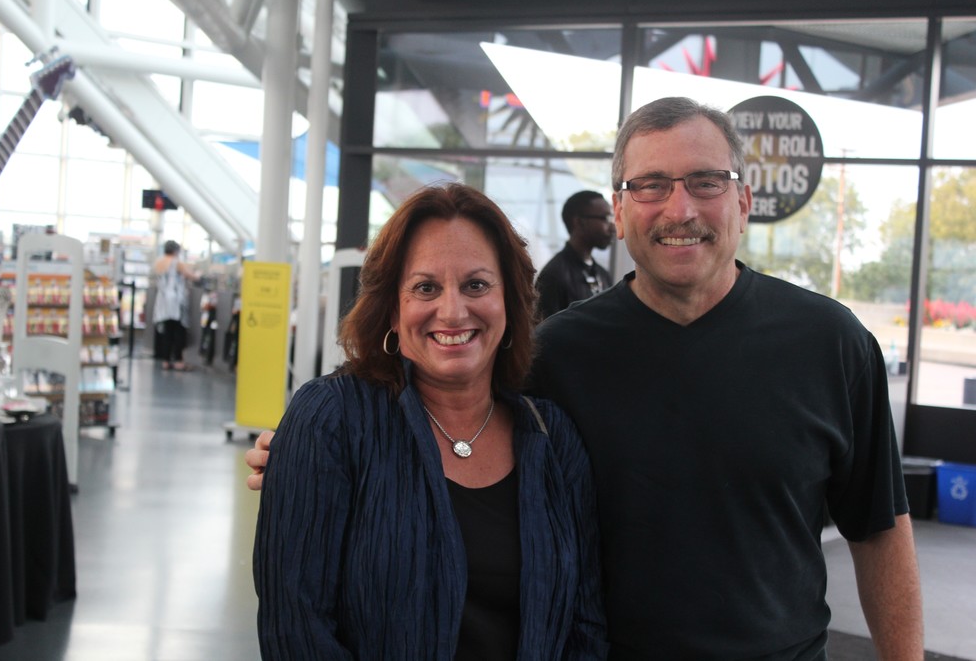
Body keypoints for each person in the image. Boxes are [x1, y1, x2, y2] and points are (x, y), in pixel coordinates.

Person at [248, 97, 923, 658]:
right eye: (651, 185)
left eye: (705, 182)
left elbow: (879, 529)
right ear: (620, 211)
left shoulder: (831, 345)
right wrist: (302, 455)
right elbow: (440, 411)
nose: (679, 209)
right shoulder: (554, 356)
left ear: (743, 199)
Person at [252, 183, 607, 659]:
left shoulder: (553, 439)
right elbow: (296, 628)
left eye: (476, 285)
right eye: (425, 288)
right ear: (392, 310)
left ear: (510, 300)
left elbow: (585, 622)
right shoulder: (332, 420)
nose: (453, 311)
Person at [534, 190, 616, 319]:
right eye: (605, 218)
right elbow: (544, 328)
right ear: (579, 222)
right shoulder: (554, 275)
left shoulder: (603, 275)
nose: (613, 228)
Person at [152, 240, 200, 371]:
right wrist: (198, 275)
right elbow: (192, 276)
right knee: (178, 331)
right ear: (175, 251)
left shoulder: (159, 263)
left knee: (167, 331)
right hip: (176, 301)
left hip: (162, 301)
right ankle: (178, 360)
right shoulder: (176, 262)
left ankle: (166, 360)